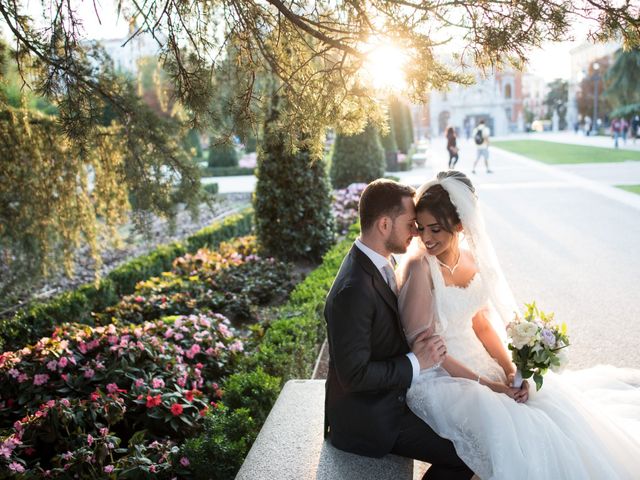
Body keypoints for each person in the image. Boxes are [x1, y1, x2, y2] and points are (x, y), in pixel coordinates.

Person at [396, 170, 640, 479]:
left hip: (478, 361)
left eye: (435, 230)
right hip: (440, 374)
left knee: (542, 411)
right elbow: (425, 346)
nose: (426, 238)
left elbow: (482, 324)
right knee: (505, 422)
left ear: (459, 226)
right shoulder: (420, 267)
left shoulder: (472, 260)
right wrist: (490, 386)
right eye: (421, 229)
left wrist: (511, 370)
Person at [324, 179, 473, 480]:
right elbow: (354, 376)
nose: (417, 232)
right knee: (468, 452)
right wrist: (418, 362)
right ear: (383, 225)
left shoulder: (379, 261)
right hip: (370, 418)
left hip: (393, 394)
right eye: (410, 224)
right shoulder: (353, 290)